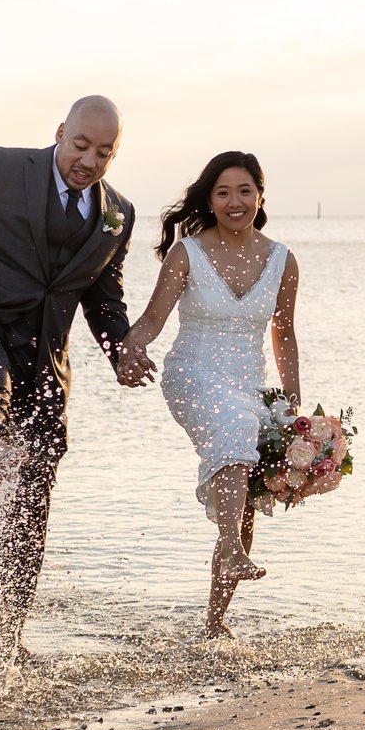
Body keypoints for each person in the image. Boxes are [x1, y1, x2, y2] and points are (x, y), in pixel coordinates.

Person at [0, 95, 153, 665]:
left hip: (46, 363)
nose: (88, 160)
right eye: (80, 144)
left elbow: (104, 296)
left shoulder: (118, 214)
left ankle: (10, 639)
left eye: (104, 152)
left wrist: (120, 352)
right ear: (59, 133)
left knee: (33, 500)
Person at [119, 151, 300, 638]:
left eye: (244, 191)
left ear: (260, 194)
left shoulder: (282, 259)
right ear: (210, 199)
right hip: (192, 374)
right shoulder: (187, 253)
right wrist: (126, 350)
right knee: (236, 429)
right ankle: (231, 551)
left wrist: (293, 402)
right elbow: (153, 320)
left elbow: (283, 333)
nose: (234, 201)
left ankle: (215, 622)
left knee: (245, 498)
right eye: (222, 192)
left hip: (249, 384)